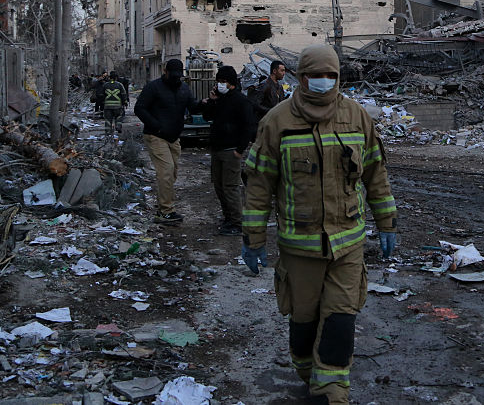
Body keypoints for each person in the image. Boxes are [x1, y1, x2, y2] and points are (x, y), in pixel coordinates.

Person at [241, 45, 397, 405]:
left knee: (341, 319)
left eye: (331, 76)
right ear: (301, 77)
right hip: (300, 248)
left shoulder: (357, 118)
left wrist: (386, 221)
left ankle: (331, 392)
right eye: (316, 76)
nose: (324, 83)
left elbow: (376, 174)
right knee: (304, 322)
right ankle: (308, 372)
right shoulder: (277, 122)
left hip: (348, 244)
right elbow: (259, 186)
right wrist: (253, 238)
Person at [134, 59, 202, 225]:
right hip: (156, 136)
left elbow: (193, 107)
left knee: (172, 173)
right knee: (166, 172)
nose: (176, 78)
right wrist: (156, 126)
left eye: (179, 76)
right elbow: (139, 108)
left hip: (174, 137)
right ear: (165, 72)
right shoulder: (153, 87)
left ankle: (164, 208)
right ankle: (166, 211)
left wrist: (208, 103)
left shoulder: (184, 88)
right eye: (173, 75)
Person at [198, 65, 257, 235]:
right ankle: (228, 217)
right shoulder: (220, 99)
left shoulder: (240, 101)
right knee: (219, 186)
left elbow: (248, 127)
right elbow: (207, 116)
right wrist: (211, 101)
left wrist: (239, 150)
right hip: (217, 149)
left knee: (231, 187)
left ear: (231, 83)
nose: (220, 85)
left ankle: (237, 223)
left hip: (231, 151)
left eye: (223, 82)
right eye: (219, 82)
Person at [101, 70, 129, 136]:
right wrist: (125, 102)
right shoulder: (120, 85)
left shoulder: (105, 85)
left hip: (107, 106)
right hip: (117, 105)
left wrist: (103, 103)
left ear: (109, 77)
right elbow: (123, 94)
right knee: (119, 116)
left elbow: (102, 95)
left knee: (108, 119)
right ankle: (118, 127)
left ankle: (108, 131)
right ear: (116, 77)